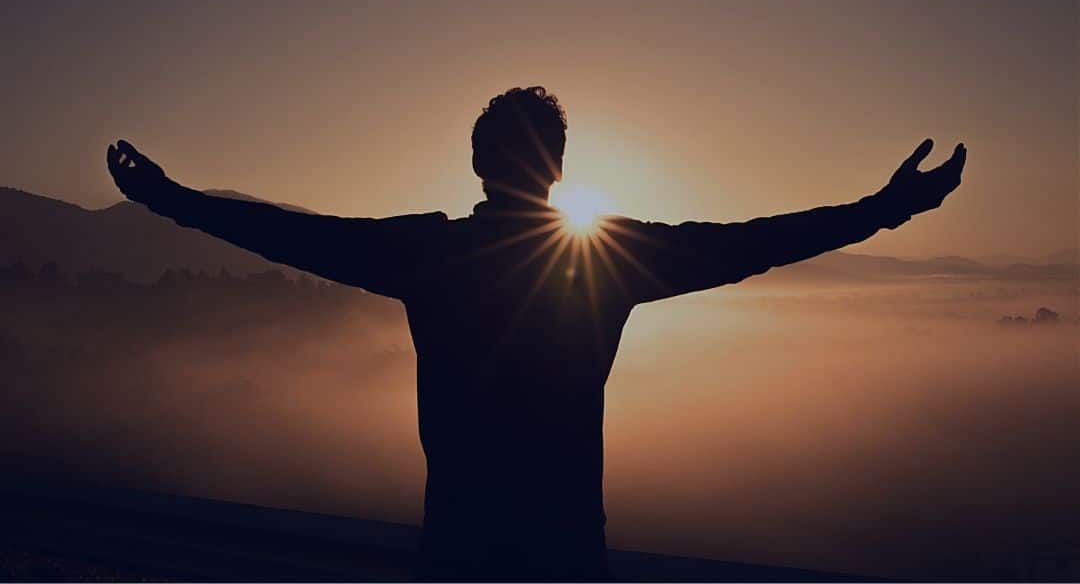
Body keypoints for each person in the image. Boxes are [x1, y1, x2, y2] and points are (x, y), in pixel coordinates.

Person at [106, 86, 966, 582]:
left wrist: (170, 200)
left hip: (457, 545)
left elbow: (297, 235)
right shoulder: (610, 261)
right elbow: (752, 243)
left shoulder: (431, 253)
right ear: (557, 168)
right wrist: (884, 211)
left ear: (481, 164)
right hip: (564, 549)